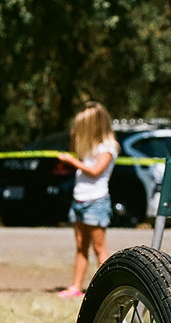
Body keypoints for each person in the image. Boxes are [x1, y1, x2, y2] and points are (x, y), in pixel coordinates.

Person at [55, 102, 118, 299]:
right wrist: (73, 140)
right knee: (81, 246)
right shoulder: (90, 146)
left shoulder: (109, 147)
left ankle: (106, 289)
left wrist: (71, 161)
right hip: (79, 200)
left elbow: (94, 171)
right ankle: (76, 287)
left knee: (99, 248)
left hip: (96, 202)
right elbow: (80, 157)